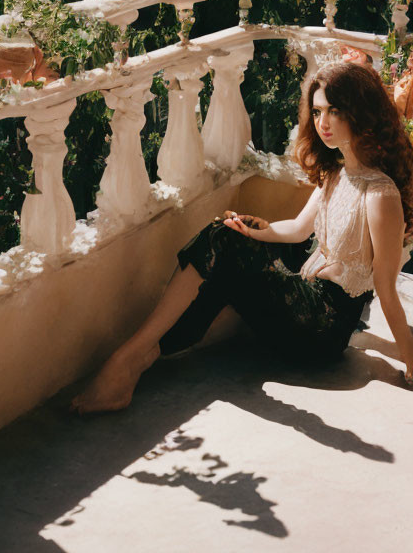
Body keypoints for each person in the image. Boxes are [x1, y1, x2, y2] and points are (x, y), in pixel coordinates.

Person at [71, 61, 413, 414]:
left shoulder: (380, 195)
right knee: (227, 241)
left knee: (225, 246)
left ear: (360, 112)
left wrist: (411, 362)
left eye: (335, 111)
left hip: (321, 331)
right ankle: (145, 356)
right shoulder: (336, 173)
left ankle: (127, 358)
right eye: (317, 111)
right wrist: (256, 230)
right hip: (305, 297)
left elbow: (386, 289)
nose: (322, 123)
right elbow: (297, 228)